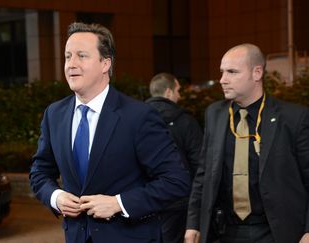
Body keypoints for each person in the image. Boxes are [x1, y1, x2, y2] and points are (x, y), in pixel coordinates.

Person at [30, 22, 191, 243]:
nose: (71, 64)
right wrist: (55, 197)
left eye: (81, 56)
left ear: (105, 63)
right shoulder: (54, 114)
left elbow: (176, 181)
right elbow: (39, 172)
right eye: (68, 56)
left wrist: (119, 203)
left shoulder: (138, 116)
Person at [184, 43, 309, 243]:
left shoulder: (294, 118)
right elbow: (203, 175)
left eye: (232, 72)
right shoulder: (215, 114)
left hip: (276, 232)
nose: (223, 80)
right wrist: (193, 224)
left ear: (257, 72)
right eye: (222, 72)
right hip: (225, 231)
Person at [146, 73, 203, 243]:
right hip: (179, 202)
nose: (179, 95)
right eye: (177, 90)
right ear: (169, 93)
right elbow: (199, 163)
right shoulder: (186, 121)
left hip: (146, 200)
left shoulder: (136, 120)